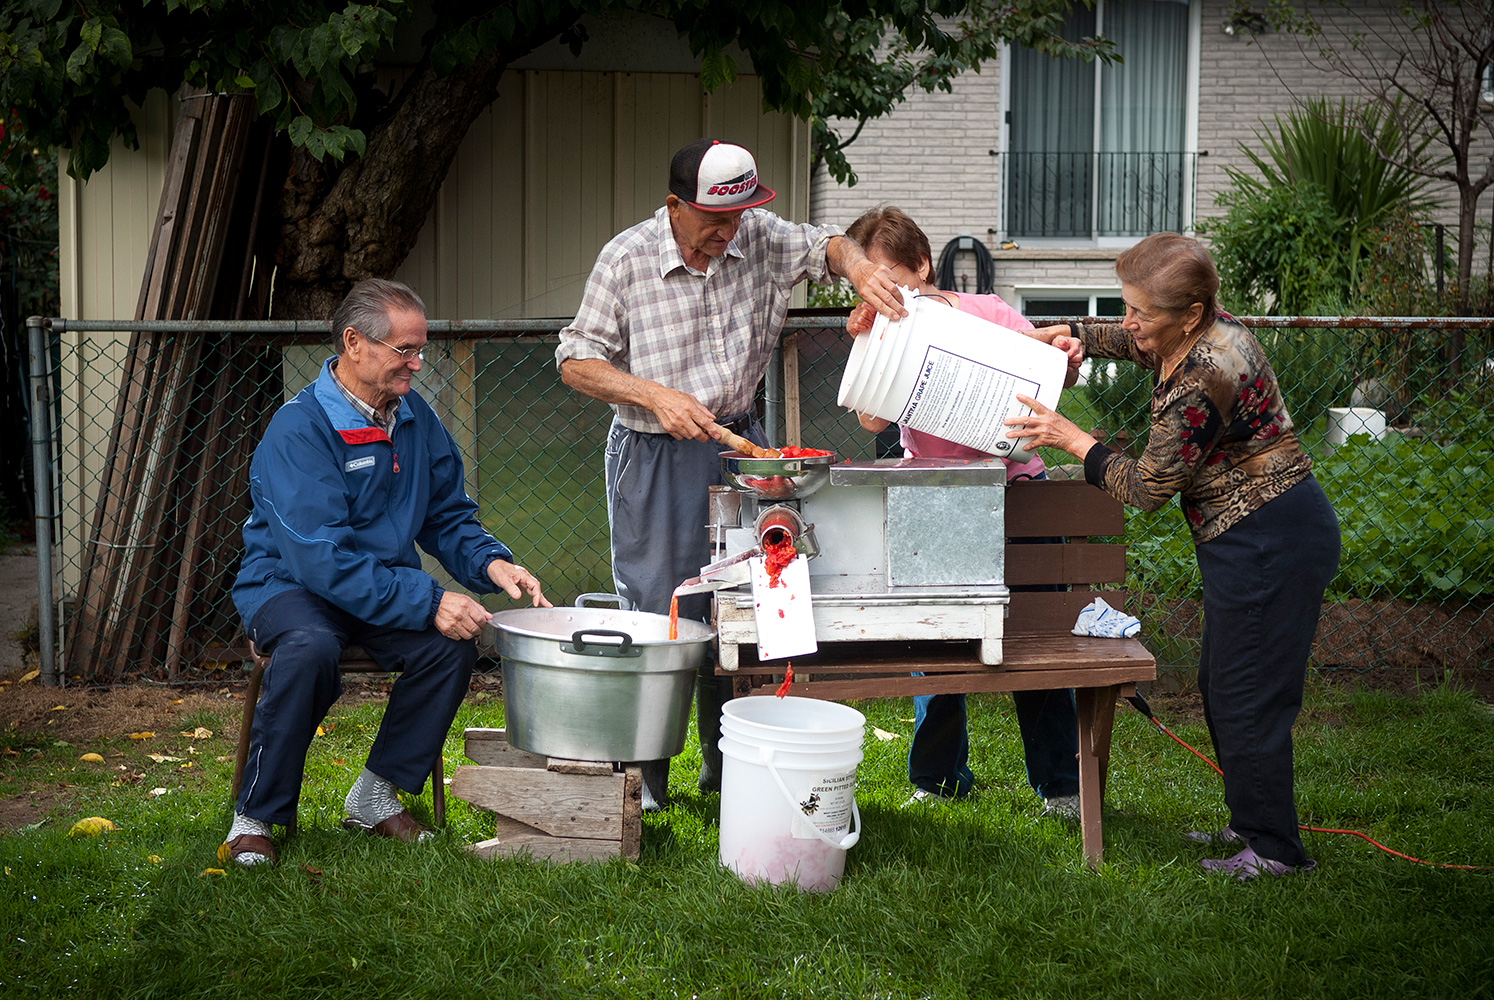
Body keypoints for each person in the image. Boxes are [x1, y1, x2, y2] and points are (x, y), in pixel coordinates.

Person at [556, 139, 907, 811]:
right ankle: (644, 784)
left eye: (739, 215)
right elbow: (575, 360)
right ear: (674, 206)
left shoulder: (760, 236)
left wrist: (860, 268)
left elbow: (829, 246)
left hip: (741, 446)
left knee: (747, 606)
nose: (729, 231)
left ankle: (734, 767)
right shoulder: (626, 259)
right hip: (653, 452)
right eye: (715, 219)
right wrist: (653, 395)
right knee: (662, 613)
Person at [1006, 232, 1341, 880]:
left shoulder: (1207, 374)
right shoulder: (1189, 329)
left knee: (1248, 697)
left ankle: (1274, 851)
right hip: (1251, 534)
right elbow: (1133, 340)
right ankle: (1253, 823)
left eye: (1140, 310)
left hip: (1270, 538)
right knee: (1224, 686)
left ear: (1189, 314)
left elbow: (1147, 488)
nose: (1130, 321)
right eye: (1125, 305)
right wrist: (1072, 335)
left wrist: (1071, 438)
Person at [223, 278, 552, 866]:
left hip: (379, 586)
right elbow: (320, 557)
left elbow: (446, 514)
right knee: (308, 648)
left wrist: (491, 561)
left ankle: (375, 796)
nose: (417, 364)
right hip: (289, 586)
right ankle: (256, 817)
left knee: (450, 647)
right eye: (405, 350)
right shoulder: (299, 429)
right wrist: (428, 601)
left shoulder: (415, 417)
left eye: (420, 349)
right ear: (354, 343)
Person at [843, 205, 1086, 818]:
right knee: (936, 639)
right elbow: (871, 419)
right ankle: (938, 777)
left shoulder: (990, 313)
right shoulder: (880, 324)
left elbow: (1048, 376)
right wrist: (874, 348)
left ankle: (1060, 783)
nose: (882, 293)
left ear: (923, 265)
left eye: (892, 279)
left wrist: (1064, 357)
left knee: (1036, 635)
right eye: (869, 284)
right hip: (935, 496)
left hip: (1014, 490)